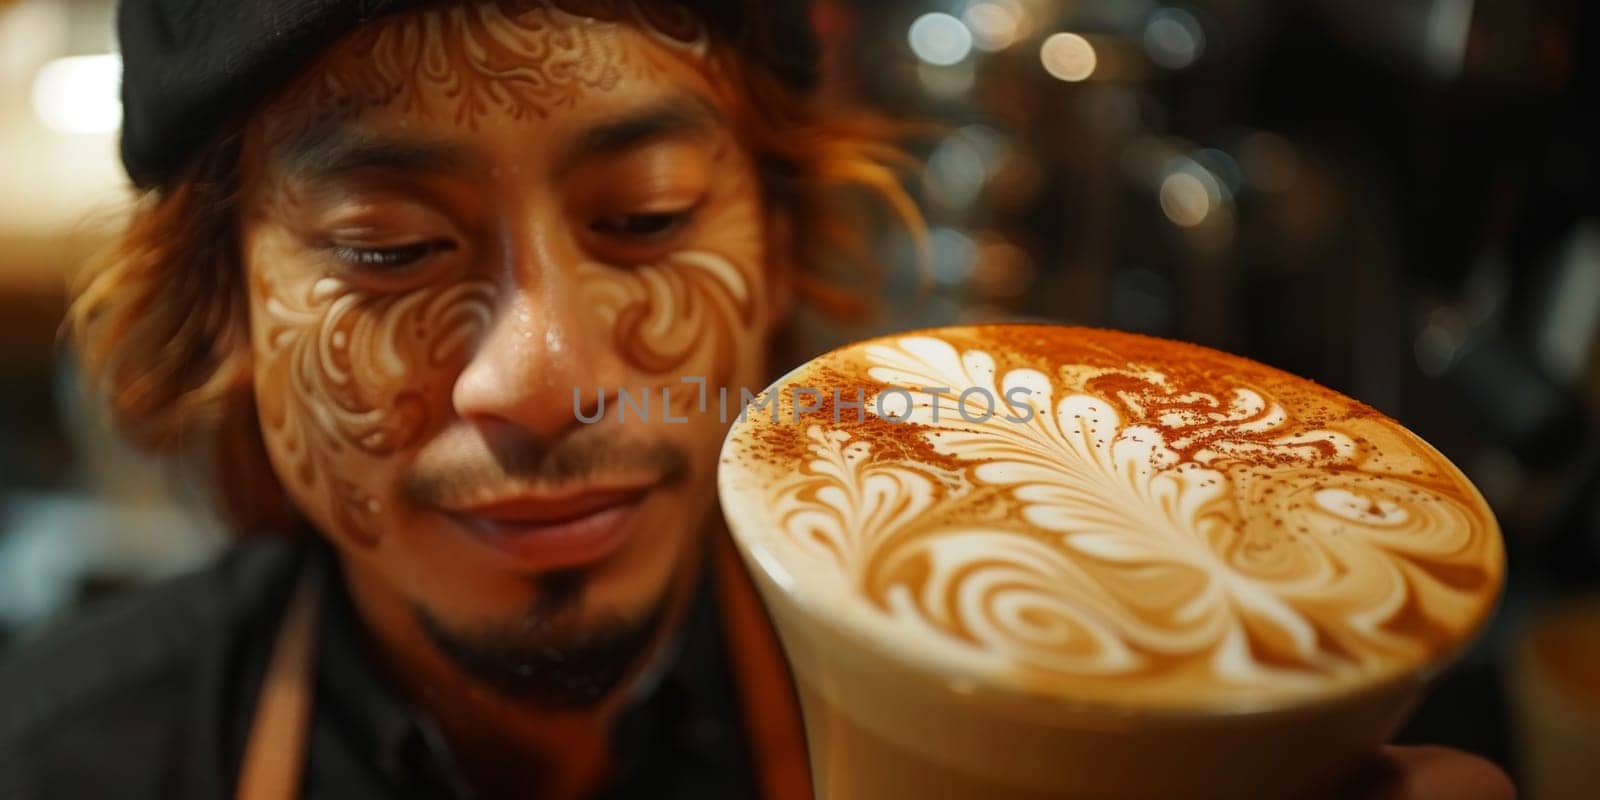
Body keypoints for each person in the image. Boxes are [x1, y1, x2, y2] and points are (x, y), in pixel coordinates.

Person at [0, 1, 1516, 798]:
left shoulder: (1042, 723)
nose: (545, 383)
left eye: (649, 218)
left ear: (781, 236)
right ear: (228, 309)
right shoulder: (59, 765)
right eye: (388, 250)